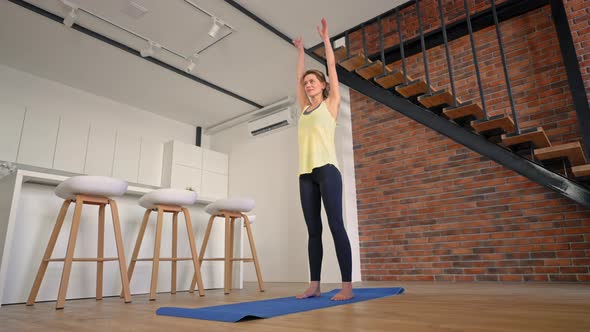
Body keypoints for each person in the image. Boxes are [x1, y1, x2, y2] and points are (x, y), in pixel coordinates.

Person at [293, 18, 353, 301]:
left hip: (328, 170)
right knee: (313, 230)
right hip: (306, 174)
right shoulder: (303, 109)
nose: (307, 85)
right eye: (306, 83)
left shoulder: (331, 105)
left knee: (335, 225)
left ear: (323, 85)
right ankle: (315, 285)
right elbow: (297, 78)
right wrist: (301, 52)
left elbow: (331, 68)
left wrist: (327, 40)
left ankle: (346, 286)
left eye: (312, 81)